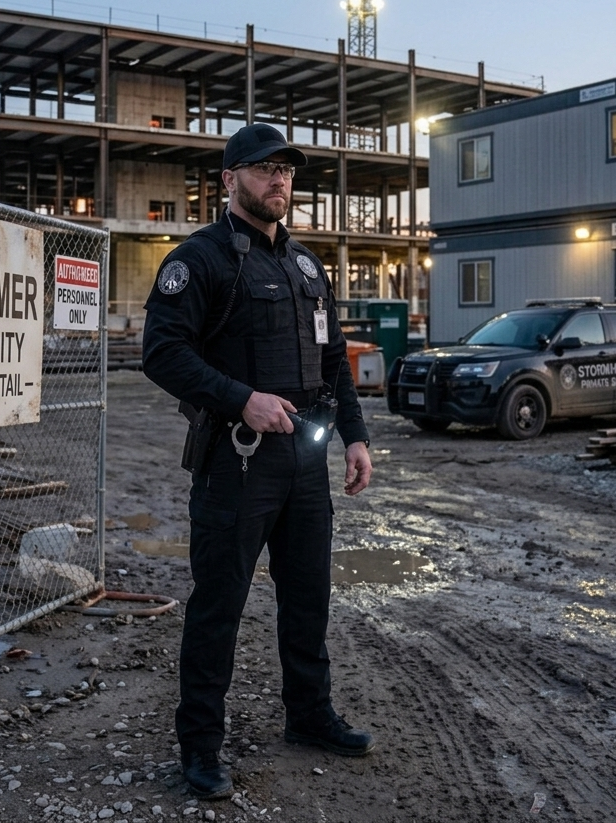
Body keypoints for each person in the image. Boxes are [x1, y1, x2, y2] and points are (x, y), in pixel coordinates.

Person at [142, 122, 375, 801]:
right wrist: (240, 399)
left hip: (304, 465)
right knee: (218, 605)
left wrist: (354, 437)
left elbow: (333, 363)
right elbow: (162, 351)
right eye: (264, 167)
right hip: (236, 462)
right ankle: (201, 747)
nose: (279, 179)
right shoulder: (201, 259)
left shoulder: (306, 267)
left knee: (308, 598)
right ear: (229, 178)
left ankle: (309, 714)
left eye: (286, 170)